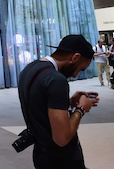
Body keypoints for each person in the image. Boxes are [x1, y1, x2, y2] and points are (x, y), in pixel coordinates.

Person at [17, 34, 99, 169]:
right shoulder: (56, 80)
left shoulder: (30, 69)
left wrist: (68, 102)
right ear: (75, 57)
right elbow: (62, 138)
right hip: (62, 159)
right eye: (80, 69)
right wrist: (81, 109)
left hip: (41, 155)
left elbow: (40, 105)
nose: (75, 75)